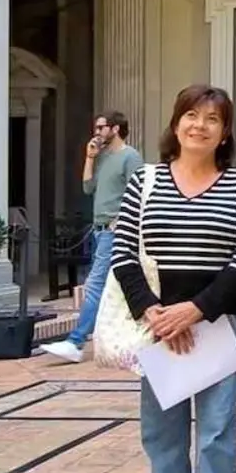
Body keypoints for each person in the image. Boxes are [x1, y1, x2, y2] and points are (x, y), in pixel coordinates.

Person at [114, 85, 236, 473]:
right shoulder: (145, 182)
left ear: (226, 132)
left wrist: (195, 312)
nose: (200, 125)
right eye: (192, 116)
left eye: (213, 119)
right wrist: (155, 313)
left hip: (218, 325)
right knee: (163, 435)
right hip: (158, 329)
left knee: (217, 435)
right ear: (176, 123)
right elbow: (123, 255)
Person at [41, 112, 144, 363]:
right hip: (98, 229)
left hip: (114, 230)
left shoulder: (130, 156)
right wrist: (89, 158)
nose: (96, 132)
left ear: (116, 129)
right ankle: (134, 340)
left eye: (101, 128)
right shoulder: (103, 157)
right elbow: (88, 187)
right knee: (118, 286)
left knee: (96, 283)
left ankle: (76, 341)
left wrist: (124, 221)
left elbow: (140, 190)